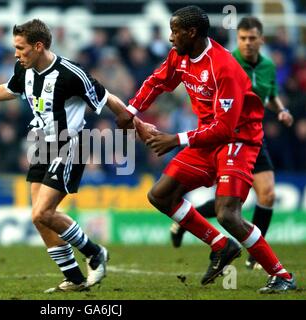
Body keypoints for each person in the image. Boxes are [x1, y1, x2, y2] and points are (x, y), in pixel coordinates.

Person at [117, 6, 296, 293]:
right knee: (160, 195)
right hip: (205, 138)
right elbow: (158, 81)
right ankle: (220, 244)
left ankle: (282, 274)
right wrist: (130, 110)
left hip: (237, 140)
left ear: (192, 33)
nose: (171, 37)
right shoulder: (180, 55)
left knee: (228, 214)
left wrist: (175, 140)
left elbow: (225, 128)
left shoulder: (223, 67)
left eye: (175, 31)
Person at [0, 19, 130, 293]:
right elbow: (9, 90)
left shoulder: (71, 74)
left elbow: (107, 99)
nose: (16, 54)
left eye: (20, 48)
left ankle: (95, 253)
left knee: (43, 211)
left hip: (69, 144)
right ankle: (75, 278)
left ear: (38, 46)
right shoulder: (24, 68)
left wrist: (135, 121)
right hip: (41, 143)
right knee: (39, 217)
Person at [170, 16, 294, 271]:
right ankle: (192, 225)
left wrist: (281, 110)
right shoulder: (227, 61)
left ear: (261, 40)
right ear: (237, 39)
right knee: (226, 206)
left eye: (252, 38)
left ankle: (256, 256)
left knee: (266, 194)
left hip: (251, 136)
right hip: (224, 136)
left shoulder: (267, 67)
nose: (247, 43)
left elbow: (269, 96)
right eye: (243, 38)